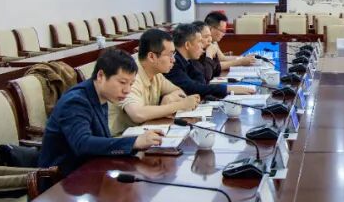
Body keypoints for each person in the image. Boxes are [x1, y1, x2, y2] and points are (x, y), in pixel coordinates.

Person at [40, 49, 164, 177]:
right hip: (63, 179)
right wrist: (134, 142)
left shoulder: (101, 95)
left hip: (90, 170)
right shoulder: (76, 101)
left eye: (131, 84)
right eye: (122, 82)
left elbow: (102, 140)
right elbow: (82, 144)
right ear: (100, 76)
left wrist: (137, 143)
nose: (127, 90)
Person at [109, 29, 200, 135]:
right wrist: (181, 105)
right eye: (170, 55)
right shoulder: (131, 74)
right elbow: (137, 114)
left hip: (143, 134)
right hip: (119, 139)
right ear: (151, 57)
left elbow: (178, 91)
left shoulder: (156, 73)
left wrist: (169, 97)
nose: (173, 60)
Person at [167, 24, 257, 99]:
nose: (202, 46)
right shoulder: (173, 63)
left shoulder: (187, 60)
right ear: (187, 45)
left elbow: (201, 82)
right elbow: (192, 88)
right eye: (199, 42)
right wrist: (228, 89)